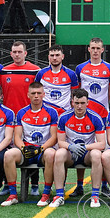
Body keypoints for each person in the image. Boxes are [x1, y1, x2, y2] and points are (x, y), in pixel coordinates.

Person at [0, 82, 58, 207]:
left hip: (43, 149)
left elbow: (54, 137)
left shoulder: (52, 112)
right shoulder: (21, 113)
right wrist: (23, 148)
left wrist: (41, 148)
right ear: (28, 95)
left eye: (38, 93)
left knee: (51, 154)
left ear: (43, 94)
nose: (36, 96)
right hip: (26, 149)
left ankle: (46, 194)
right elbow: (17, 137)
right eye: (33, 93)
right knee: (9, 155)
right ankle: (13, 195)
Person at [36, 44, 83, 196]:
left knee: (69, 152)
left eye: (57, 55)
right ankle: (48, 187)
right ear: (48, 57)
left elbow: (75, 96)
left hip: (65, 120)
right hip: (46, 120)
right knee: (49, 154)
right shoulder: (41, 74)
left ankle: (77, 185)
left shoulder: (71, 74)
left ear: (63, 56)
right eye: (52, 55)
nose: (54, 58)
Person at [51, 88, 106, 208]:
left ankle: (95, 196)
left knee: (97, 154)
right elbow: (60, 142)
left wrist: (85, 147)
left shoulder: (95, 118)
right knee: (59, 153)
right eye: (77, 103)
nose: (79, 106)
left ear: (87, 103)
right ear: (72, 102)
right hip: (71, 154)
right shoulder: (64, 117)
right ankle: (59, 195)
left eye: (82, 103)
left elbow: (102, 144)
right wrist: (71, 147)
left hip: (87, 154)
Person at [75, 37, 110, 120]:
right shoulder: (80, 68)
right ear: (89, 49)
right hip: (85, 112)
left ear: (102, 50)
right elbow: (77, 91)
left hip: (103, 113)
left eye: (98, 48)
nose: (95, 51)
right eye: (93, 48)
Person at [0, 41, 40, 115]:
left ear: (25, 53)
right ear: (11, 54)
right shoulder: (4, 71)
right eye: (14, 52)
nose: (17, 54)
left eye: (20, 52)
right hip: (8, 114)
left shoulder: (35, 71)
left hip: (29, 114)